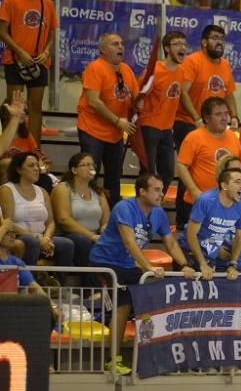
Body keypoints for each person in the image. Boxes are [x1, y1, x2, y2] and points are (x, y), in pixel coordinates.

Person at [90, 173, 196, 355]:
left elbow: (170, 243)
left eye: (162, 190)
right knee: (122, 304)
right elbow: (129, 242)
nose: (161, 194)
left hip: (128, 264)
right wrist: (148, 267)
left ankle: (147, 355)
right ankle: (113, 359)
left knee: (151, 300)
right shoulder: (124, 207)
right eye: (156, 190)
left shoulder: (159, 213)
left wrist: (185, 264)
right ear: (142, 192)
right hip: (105, 262)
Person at [76, 33, 138, 206]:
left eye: (122, 43)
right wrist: (118, 121)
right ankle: (87, 210)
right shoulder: (95, 68)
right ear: (103, 49)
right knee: (88, 174)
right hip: (92, 130)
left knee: (114, 176)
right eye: (115, 44)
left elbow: (137, 97)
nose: (121, 47)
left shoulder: (126, 70)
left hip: (115, 134)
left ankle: (113, 214)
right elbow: (94, 102)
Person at [0, 0, 57, 145]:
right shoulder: (11, 1)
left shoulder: (47, 3)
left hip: (39, 63)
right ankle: (10, 147)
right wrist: (19, 52)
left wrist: (47, 51)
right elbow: (2, 31)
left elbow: (53, 32)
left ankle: (34, 149)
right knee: (14, 106)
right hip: (15, 60)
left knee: (35, 107)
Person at [0, 152, 73, 267]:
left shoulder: (42, 191)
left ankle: (58, 283)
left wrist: (47, 238)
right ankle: (29, 281)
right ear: (19, 170)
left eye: (37, 166)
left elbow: (50, 222)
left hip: (42, 236)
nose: (36, 169)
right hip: (18, 235)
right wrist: (36, 237)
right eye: (31, 166)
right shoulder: (6, 190)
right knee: (32, 242)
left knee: (66, 244)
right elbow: (8, 222)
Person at [177, 97, 241, 215]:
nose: (224, 118)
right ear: (207, 118)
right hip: (201, 201)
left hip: (229, 201)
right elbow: (181, 165)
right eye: (218, 114)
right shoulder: (194, 137)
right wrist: (194, 191)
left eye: (226, 113)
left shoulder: (233, 136)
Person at [134, 31, 187, 184]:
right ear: (167, 49)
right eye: (177, 44)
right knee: (148, 172)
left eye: (184, 44)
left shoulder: (181, 72)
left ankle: (155, 202)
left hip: (167, 129)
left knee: (168, 172)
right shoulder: (154, 71)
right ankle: (142, 205)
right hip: (149, 126)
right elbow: (139, 95)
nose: (182, 47)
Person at [183, 169, 241, 279]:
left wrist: (233, 264)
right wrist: (202, 263)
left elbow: (240, 238)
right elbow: (191, 234)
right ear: (224, 185)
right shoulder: (205, 201)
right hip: (189, 252)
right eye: (237, 182)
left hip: (210, 256)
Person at [51, 152, 109, 269]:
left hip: (94, 235)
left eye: (93, 165)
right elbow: (64, 220)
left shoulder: (99, 193)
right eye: (86, 165)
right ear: (74, 170)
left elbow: (106, 221)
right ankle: (87, 280)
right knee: (82, 240)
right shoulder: (63, 188)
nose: (91, 168)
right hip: (69, 234)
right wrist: (91, 236)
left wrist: (106, 234)